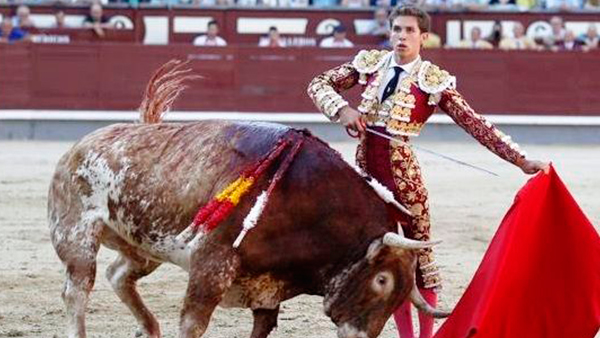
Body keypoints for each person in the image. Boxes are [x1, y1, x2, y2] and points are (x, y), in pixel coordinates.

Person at [307, 6, 549, 338]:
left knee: (419, 261)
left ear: (423, 37)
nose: (401, 36)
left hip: (404, 179)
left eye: (409, 30)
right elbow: (318, 83)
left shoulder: (432, 79)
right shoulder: (371, 63)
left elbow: (475, 124)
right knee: (384, 261)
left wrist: (520, 159)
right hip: (365, 178)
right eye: (397, 29)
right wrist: (342, 108)